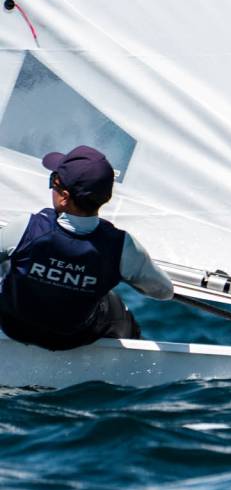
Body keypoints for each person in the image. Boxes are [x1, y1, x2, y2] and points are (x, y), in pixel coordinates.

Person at [0, 146, 173, 350]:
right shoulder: (121, 247)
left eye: (53, 182)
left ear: (64, 197)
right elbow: (164, 292)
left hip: (13, 326)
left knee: (10, 265)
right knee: (114, 304)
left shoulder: (25, 229)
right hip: (70, 338)